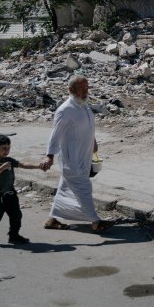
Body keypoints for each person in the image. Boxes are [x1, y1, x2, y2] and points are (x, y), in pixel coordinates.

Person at [41, 75, 113, 232]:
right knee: (84, 187)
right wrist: (50, 155)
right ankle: (95, 222)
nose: (85, 92)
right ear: (70, 90)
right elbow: (55, 135)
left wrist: (93, 141)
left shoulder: (84, 105)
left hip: (84, 155)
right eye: (81, 89)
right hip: (71, 159)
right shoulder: (65, 110)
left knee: (65, 187)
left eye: (86, 88)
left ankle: (52, 220)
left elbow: (88, 127)